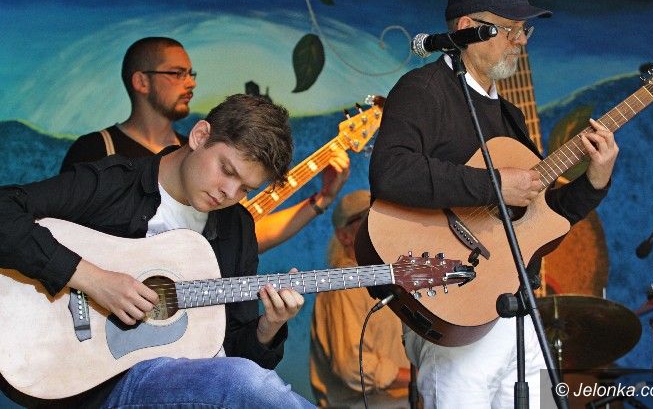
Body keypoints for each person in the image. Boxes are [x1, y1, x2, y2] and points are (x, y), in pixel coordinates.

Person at [367, 0, 619, 408]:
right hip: (454, 304)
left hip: (518, 310)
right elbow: (391, 172)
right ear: (468, 28)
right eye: (510, 29)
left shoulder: (510, 117)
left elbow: (540, 217)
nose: (520, 41)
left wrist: (595, 182)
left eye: (525, 30)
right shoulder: (422, 90)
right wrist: (495, 184)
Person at [0, 94, 314, 408]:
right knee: (244, 381)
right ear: (200, 136)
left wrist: (268, 326)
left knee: (245, 380)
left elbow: (233, 357)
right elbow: (4, 210)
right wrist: (94, 280)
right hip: (102, 384)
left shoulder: (238, 227)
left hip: (190, 387)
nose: (230, 193)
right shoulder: (116, 184)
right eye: (227, 170)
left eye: (246, 188)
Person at [60, 37, 350, 252]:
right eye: (177, 74)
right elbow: (60, 233)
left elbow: (243, 238)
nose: (191, 83)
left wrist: (321, 201)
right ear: (141, 81)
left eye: (191, 74)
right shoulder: (97, 149)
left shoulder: (199, 154)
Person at [310, 190, 411, 408]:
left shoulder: (385, 278)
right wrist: (418, 377)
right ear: (344, 236)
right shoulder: (344, 283)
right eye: (370, 216)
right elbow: (353, 366)